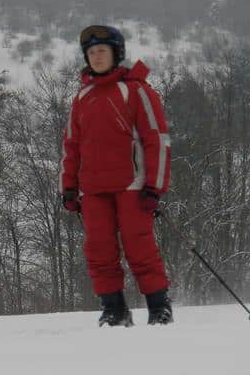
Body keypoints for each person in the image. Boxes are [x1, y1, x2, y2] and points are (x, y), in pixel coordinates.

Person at [59, 25, 173, 327]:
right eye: (91, 52)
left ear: (116, 54)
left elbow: (157, 139)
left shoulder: (136, 90)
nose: (96, 57)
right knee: (99, 250)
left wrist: (155, 186)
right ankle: (114, 310)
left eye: (102, 51)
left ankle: (159, 307)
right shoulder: (82, 98)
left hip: (132, 185)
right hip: (93, 189)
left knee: (140, 247)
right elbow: (71, 146)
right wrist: (68, 187)